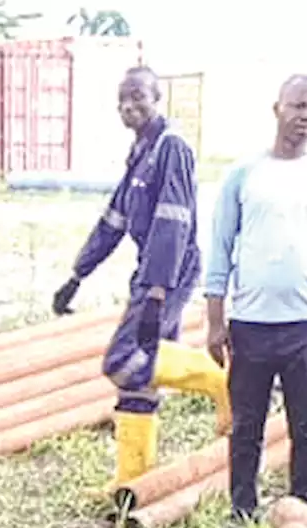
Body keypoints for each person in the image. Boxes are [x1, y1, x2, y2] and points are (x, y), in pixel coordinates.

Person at [53, 65, 231, 487]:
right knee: (137, 385)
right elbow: (113, 221)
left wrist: (154, 290)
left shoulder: (172, 148)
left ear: (157, 98)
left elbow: (174, 222)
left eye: (138, 96)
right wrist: (77, 274)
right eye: (122, 99)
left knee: (123, 360)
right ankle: (133, 484)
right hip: (149, 269)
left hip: (168, 271)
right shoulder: (140, 152)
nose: (128, 105)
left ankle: (224, 382)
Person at [204, 74, 307, 524]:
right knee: (246, 427)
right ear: (277, 109)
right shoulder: (244, 175)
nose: (306, 117)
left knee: (306, 429)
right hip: (250, 325)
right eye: (298, 106)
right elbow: (220, 249)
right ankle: (241, 510)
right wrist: (215, 321)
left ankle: (302, 512)